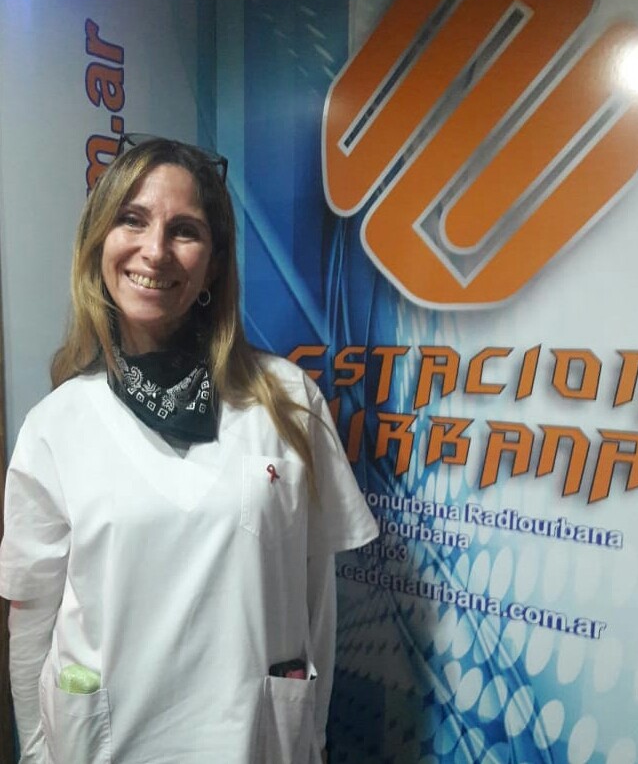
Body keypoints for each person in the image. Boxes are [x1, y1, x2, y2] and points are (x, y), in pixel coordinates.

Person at [0, 135, 378, 764]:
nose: (155, 250)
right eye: (132, 219)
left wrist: (309, 739)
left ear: (213, 263)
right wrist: (37, 754)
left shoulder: (288, 401)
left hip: (252, 743)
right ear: (98, 244)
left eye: (185, 230)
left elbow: (316, 601)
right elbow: (31, 618)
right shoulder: (55, 426)